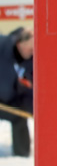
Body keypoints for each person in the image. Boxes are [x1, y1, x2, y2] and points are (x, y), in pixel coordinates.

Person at [0, 28, 34, 157]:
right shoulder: (2, 46)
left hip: (9, 102)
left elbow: (28, 92)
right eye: (30, 49)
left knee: (20, 117)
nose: (32, 53)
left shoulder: (30, 62)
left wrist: (34, 111)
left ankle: (22, 155)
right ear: (20, 44)